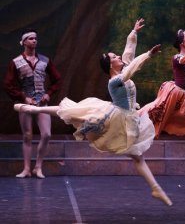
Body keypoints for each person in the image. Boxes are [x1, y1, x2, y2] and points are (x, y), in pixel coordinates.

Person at [13, 19, 173, 206]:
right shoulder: (115, 81)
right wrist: (148, 55)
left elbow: (129, 52)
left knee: (138, 156)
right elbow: (130, 70)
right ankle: (34, 108)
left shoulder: (122, 69)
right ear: (111, 64)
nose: (120, 58)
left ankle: (156, 189)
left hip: (129, 119)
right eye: (116, 57)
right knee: (71, 111)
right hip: (115, 117)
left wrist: (134, 32)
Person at [3, 29, 62, 179]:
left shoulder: (44, 60)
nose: (34, 41)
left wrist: (48, 94)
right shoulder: (16, 62)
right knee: (27, 135)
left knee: (47, 134)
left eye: (35, 38)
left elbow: (57, 79)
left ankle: (38, 167)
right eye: (30, 38)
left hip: (42, 102)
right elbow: (8, 84)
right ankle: (26, 169)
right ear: (24, 42)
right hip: (26, 102)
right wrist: (23, 97)